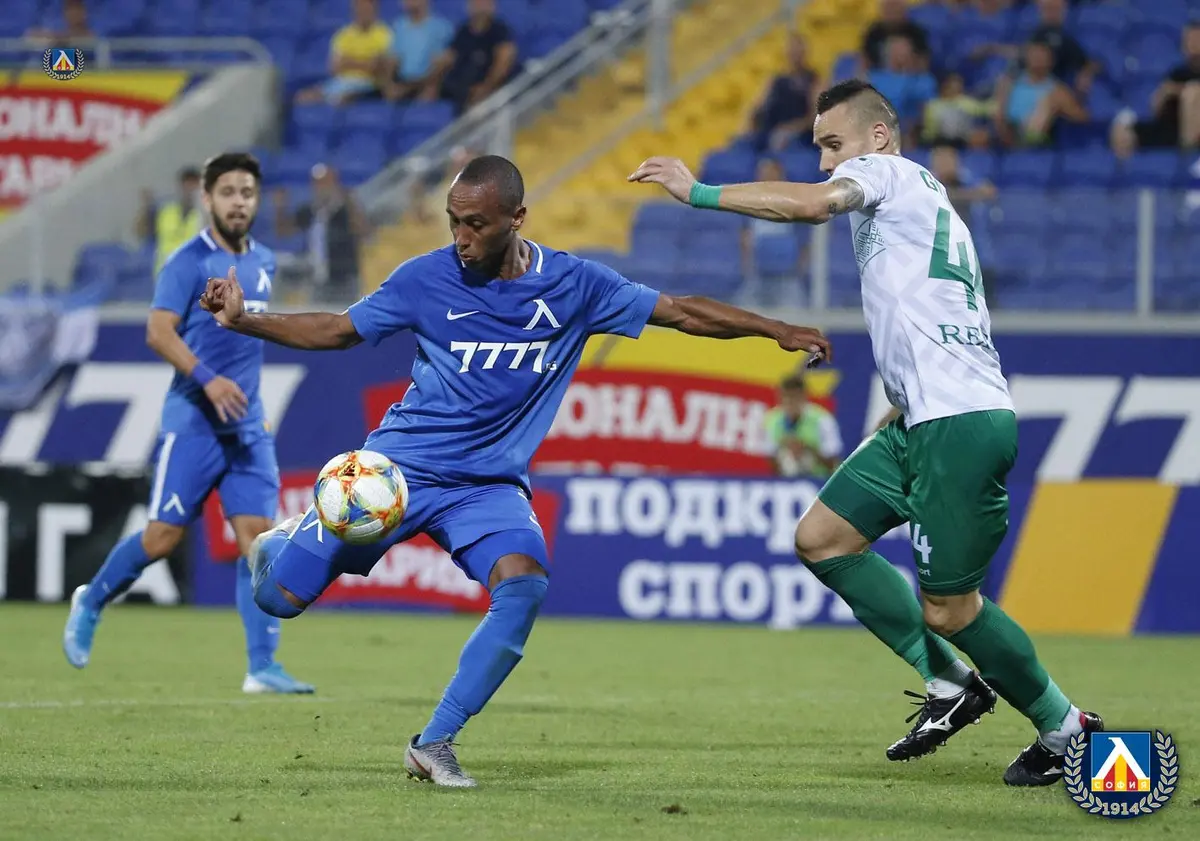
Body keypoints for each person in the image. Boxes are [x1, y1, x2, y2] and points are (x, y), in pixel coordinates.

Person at [197, 155, 830, 787]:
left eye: (475, 224)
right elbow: (338, 330)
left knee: (524, 584)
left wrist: (774, 329)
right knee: (277, 600)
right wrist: (245, 319)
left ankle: (434, 742)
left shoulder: (575, 284)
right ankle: (280, 543)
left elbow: (683, 313)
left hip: (487, 487)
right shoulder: (425, 279)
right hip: (395, 476)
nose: (461, 237)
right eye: (453, 221)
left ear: (517, 218)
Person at [628, 79, 1102, 787]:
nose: (826, 162)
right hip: (921, 418)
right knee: (822, 538)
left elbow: (813, 205)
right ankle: (950, 682)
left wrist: (698, 192)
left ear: (877, 137)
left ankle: (1066, 727)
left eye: (833, 144)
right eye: (820, 149)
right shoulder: (924, 204)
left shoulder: (883, 173)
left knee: (950, 609)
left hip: (956, 424)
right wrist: (899, 409)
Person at [62, 153, 315, 696]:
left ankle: (261, 667)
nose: (238, 202)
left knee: (258, 543)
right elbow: (157, 331)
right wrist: (209, 380)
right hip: (195, 422)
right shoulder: (187, 261)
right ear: (207, 199)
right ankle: (92, 599)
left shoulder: (265, 261)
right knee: (161, 538)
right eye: (228, 192)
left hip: (246, 426)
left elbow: (248, 339)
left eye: (247, 192)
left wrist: (247, 397)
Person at [295, 0, 393, 105]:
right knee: (303, 97)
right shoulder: (343, 34)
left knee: (344, 99)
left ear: (375, 10)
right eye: (359, 8)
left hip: (368, 85)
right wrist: (366, 62)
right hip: (341, 83)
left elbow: (380, 68)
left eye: (366, 8)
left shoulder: (385, 34)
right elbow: (334, 67)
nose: (362, 11)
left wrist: (348, 62)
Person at [427, 0, 517, 112]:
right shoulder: (463, 31)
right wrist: (433, 82)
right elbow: (449, 58)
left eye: (485, 4)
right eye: (477, 4)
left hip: (488, 90)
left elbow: (504, 61)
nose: (481, 8)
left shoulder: (499, 31)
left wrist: (486, 87)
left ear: (493, 7)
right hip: (461, 88)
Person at [765, 374, 842, 479]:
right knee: (785, 454)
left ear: (803, 397)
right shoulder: (772, 420)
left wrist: (806, 447)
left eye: (794, 398)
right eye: (786, 398)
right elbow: (771, 459)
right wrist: (785, 446)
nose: (790, 403)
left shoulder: (823, 420)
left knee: (805, 456)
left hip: (819, 480)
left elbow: (833, 463)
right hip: (787, 480)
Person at [383, 0, 454, 102]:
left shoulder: (442, 27)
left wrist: (430, 84)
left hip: (429, 83)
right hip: (402, 81)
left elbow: (444, 62)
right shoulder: (398, 25)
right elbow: (392, 58)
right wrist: (389, 85)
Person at [139, 166, 204, 275]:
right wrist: (146, 207)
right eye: (187, 186)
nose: (190, 191)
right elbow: (141, 232)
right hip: (166, 273)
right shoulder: (166, 211)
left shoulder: (205, 216)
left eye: (194, 187)